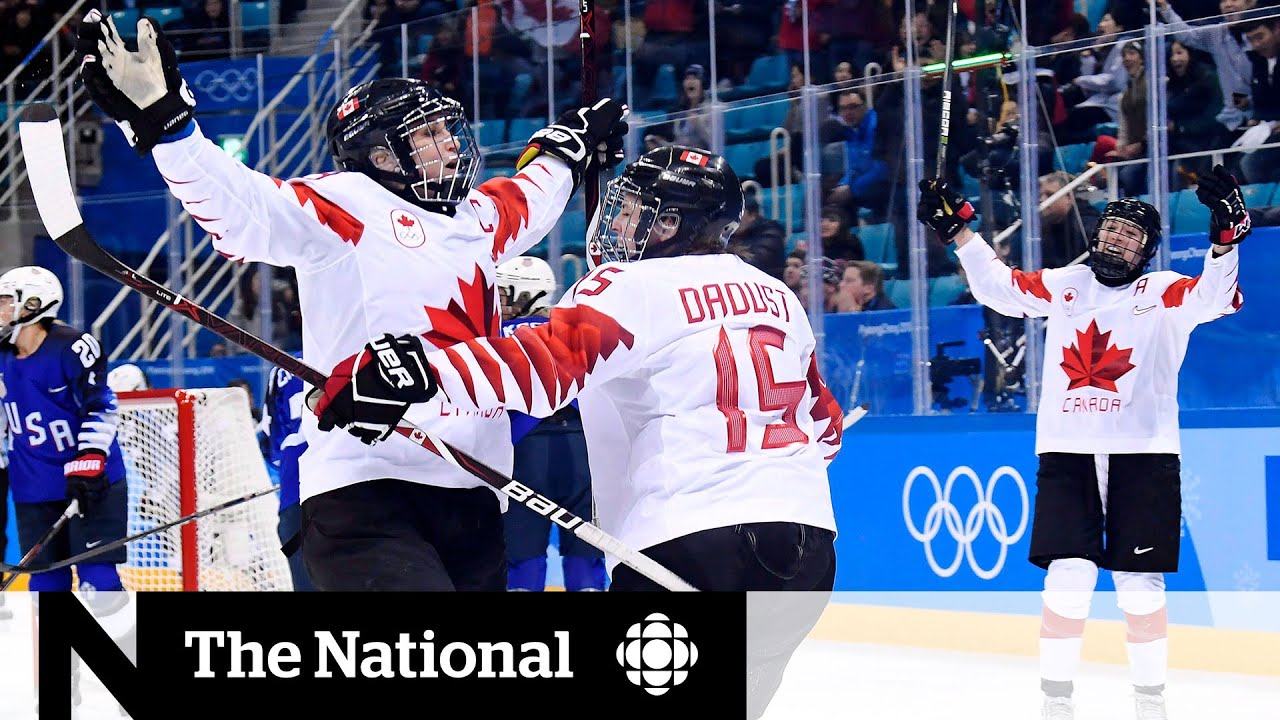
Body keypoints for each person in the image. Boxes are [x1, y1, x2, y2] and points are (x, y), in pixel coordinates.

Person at [75, 10, 628, 591]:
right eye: (428, 135)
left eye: (447, 129)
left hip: (473, 488)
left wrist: (569, 149)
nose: (451, 143)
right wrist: (171, 129)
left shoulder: (476, 218)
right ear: (382, 156)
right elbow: (243, 210)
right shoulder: (349, 204)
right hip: (366, 487)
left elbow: (530, 196)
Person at [312, 146, 842, 718]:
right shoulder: (777, 296)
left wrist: (416, 372)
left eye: (636, 211)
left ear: (671, 224)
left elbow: (544, 363)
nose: (617, 222)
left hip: (689, 546)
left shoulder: (631, 285)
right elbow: (825, 428)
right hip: (807, 546)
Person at [918, 164, 1251, 720]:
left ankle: (1150, 700)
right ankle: (1056, 700)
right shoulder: (1066, 284)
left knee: (1139, 585)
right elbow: (999, 289)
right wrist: (961, 233)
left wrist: (1224, 240)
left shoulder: (1165, 291)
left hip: (1143, 453)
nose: (1117, 237)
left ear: (1147, 250)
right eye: (1111, 227)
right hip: (1067, 451)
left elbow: (1215, 299)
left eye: (1131, 233)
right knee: (1068, 577)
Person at [0, 266, 137, 705]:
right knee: (46, 592)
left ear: (33, 305)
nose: (0, 309)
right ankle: (61, 696)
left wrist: (89, 460)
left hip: (91, 483)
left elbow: (102, 406)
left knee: (99, 582)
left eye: (7, 300)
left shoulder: (72, 347)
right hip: (32, 489)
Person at [494, 256, 606, 592]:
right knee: (587, 554)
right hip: (580, 449)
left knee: (521, 558)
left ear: (518, 293)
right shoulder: (572, 332)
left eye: (502, 292)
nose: (498, 300)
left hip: (524, 452)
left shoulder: (495, 334)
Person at [261, 357, 314, 591]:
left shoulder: (283, 370)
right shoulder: (358, 358)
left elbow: (271, 440)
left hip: (294, 496)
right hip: (354, 493)